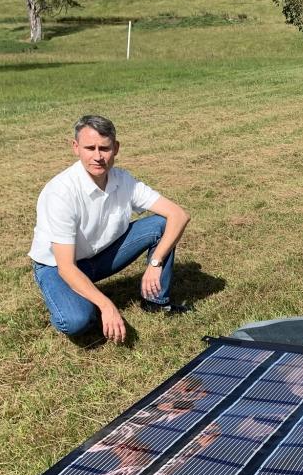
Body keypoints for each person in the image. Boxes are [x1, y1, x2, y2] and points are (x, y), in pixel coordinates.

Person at [29, 115, 192, 342]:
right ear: (76, 148)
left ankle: (156, 302)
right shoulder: (61, 192)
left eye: (104, 148)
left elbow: (179, 215)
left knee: (161, 224)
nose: (98, 156)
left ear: (116, 148)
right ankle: (67, 301)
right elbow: (66, 267)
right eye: (90, 148)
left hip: (100, 256)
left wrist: (156, 262)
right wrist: (107, 305)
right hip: (57, 266)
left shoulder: (124, 181)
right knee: (76, 321)